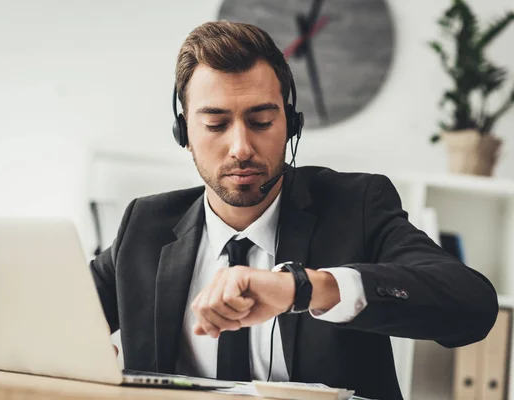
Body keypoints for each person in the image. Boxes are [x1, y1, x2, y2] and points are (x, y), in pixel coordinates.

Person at [90, 20, 498, 399]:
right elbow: (50, 318)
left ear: (291, 124)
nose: (241, 149)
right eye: (215, 125)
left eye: (262, 121)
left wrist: (307, 287)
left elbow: (472, 307)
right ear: (184, 133)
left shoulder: (357, 206)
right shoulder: (144, 226)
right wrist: (78, 353)